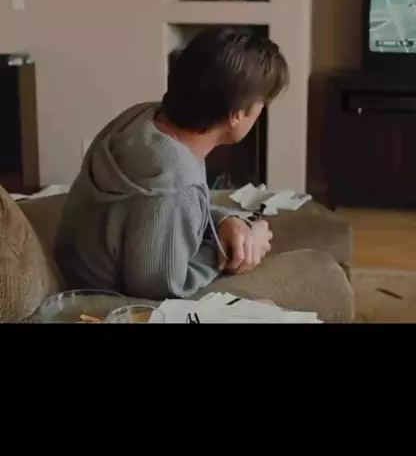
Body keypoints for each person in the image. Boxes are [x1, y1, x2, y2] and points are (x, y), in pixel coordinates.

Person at [54, 26, 289, 299]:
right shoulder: (176, 181)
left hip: (75, 262)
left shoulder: (143, 117)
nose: (261, 112)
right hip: (100, 296)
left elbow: (155, 214)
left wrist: (224, 221)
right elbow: (159, 286)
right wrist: (227, 251)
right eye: (262, 104)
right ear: (236, 114)